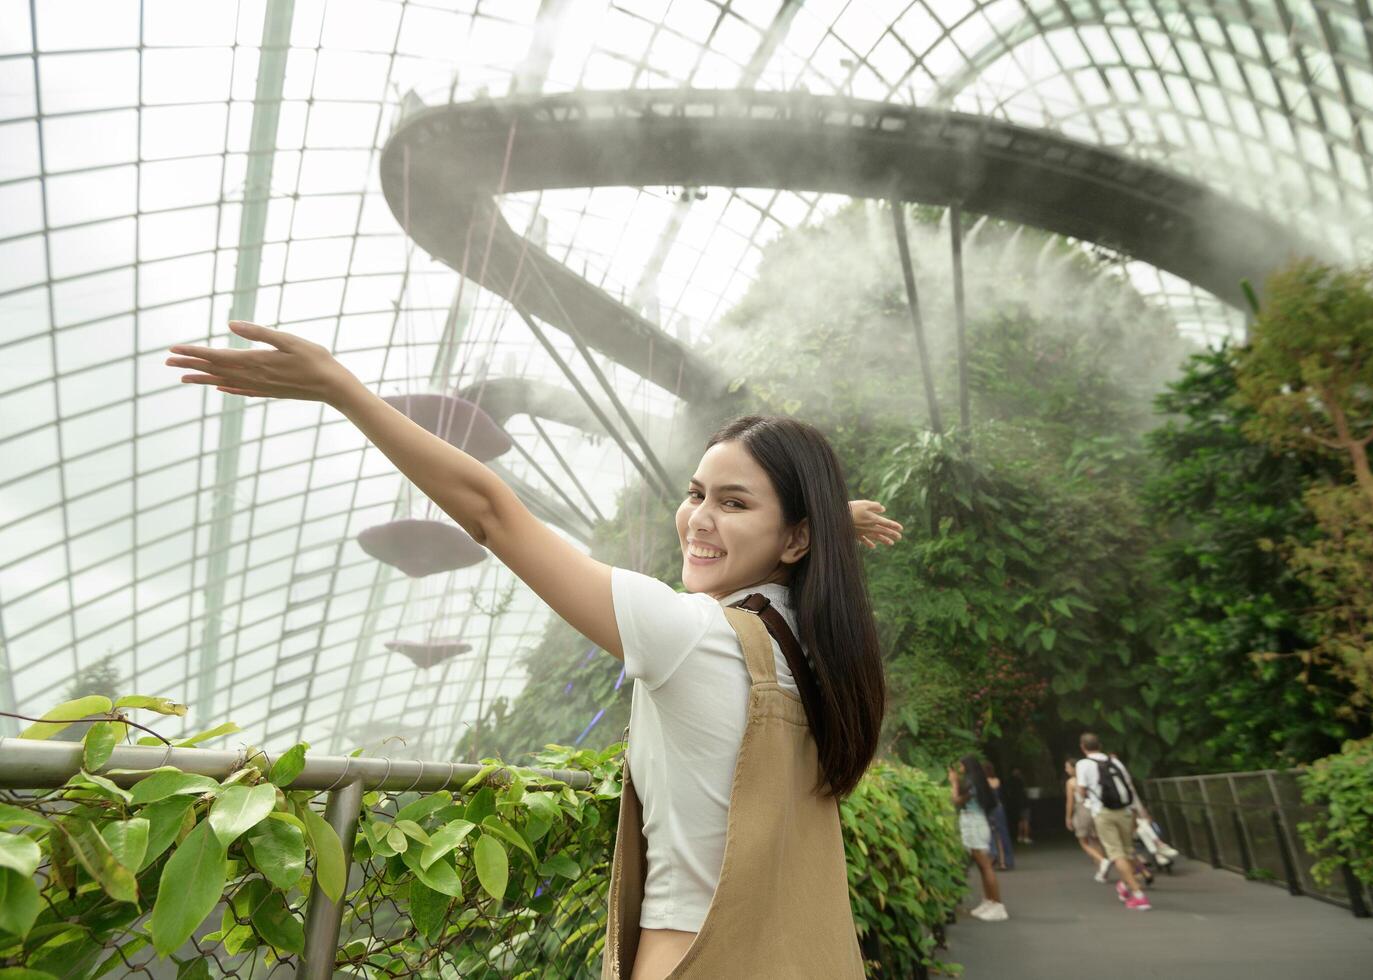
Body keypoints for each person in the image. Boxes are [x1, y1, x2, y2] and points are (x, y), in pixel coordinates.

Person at [166, 322, 906, 979]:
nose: (697, 520)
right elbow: (781, 565)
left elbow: (492, 512)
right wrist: (813, 528)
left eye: (732, 502)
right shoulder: (817, 652)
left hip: (693, 953)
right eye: (695, 493)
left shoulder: (689, 634)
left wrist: (341, 388)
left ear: (795, 537)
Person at [1074, 733, 1151, 911]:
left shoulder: (1083, 764)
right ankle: (1125, 885)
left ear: (1082, 747)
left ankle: (1138, 895)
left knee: (1116, 854)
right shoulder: (1115, 761)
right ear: (1100, 745)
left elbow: (1081, 791)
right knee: (1128, 851)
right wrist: (1138, 810)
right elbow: (1129, 785)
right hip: (1124, 811)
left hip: (1103, 812)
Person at [949, 756, 1008, 921]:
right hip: (973, 822)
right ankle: (990, 901)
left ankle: (998, 905)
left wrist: (954, 782)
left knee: (985, 865)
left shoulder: (972, 783)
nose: (959, 769)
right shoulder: (974, 781)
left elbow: (956, 800)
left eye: (961, 765)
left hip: (975, 823)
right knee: (982, 866)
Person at [1063, 759, 1111, 882]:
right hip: (1095, 808)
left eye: (1068, 767)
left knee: (1083, 841)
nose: (1066, 770)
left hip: (1082, 810)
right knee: (1095, 840)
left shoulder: (1071, 782)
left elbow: (1070, 802)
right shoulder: (1090, 779)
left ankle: (1102, 861)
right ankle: (1101, 872)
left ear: (1074, 768)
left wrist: (1068, 817)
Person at [981, 760, 1015, 870]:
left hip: (989, 809)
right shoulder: (997, 781)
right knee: (1002, 834)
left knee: (991, 835)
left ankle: (993, 857)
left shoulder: (983, 782)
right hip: (999, 808)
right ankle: (1005, 860)